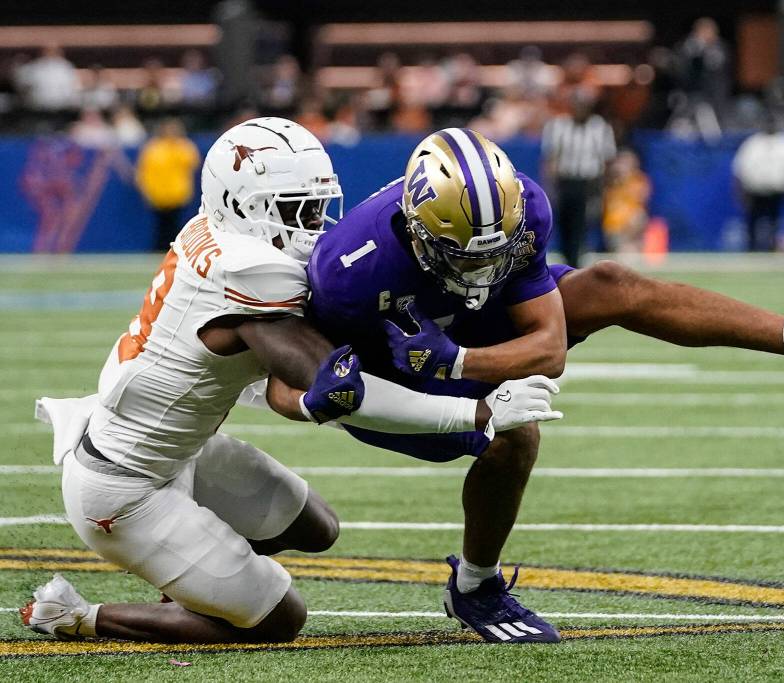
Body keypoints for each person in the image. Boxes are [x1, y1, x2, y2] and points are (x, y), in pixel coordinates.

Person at [298, 128, 784, 644]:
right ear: (420, 230)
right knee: (516, 433)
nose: (481, 268)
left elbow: (546, 349)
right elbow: (305, 378)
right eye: (462, 255)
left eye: (494, 251)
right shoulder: (347, 271)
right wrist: (385, 386)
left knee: (611, 283)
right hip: (391, 376)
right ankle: (476, 585)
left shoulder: (521, 209)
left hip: (449, 343)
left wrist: (456, 361)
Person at [22, 118, 559, 645]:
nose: (314, 224)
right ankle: (76, 615)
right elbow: (346, 390)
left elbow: (272, 383)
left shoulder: (209, 231)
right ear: (241, 204)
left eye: (318, 206)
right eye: (295, 210)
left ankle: (197, 572)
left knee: (316, 528)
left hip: (174, 451)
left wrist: (306, 400)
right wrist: (479, 414)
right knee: (281, 619)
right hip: (124, 487)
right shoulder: (250, 271)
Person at [542, 89, 616, 266]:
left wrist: (605, 187)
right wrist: (550, 185)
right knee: (564, 224)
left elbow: (607, 159)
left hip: (589, 183)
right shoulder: (558, 126)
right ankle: (568, 260)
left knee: (581, 224)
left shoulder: (600, 127)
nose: (580, 108)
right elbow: (550, 159)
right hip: (565, 181)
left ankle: (575, 262)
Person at [732, 115, 784, 251]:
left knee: (777, 223)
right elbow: (739, 170)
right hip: (756, 192)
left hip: (779, 192)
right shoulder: (752, 143)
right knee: (753, 223)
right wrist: (741, 192)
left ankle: (775, 249)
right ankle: (752, 250)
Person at [135, 119, 201, 250]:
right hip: (158, 196)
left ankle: (175, 251)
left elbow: (193, 163)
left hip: (177, 195)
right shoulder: (154, 148)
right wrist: (146, 191)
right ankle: (158, 251)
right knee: (160, 228)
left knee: (175, 226)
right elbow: (143, 172)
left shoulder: (184, 146)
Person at [602, 149, 651, 253]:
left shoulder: (638, 180)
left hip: (631, 227)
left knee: (638, 216)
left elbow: (642, 198)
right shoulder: (610, 181)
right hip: (615, 228)